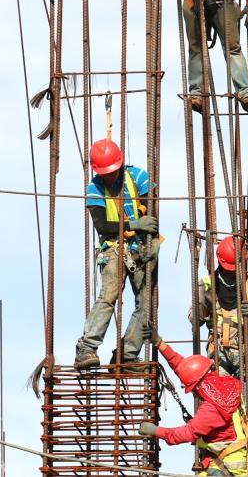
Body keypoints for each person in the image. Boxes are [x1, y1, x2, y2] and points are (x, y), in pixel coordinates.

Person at [74, 138, 159, 369]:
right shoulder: (94, 188)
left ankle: (127, 354)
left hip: (139, 249)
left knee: (147, 303)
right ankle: (86, 348)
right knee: (108, 297)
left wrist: (153, 238)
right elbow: (102, 226)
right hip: (114, 249)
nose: (110, 177)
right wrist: (134, 225)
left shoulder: (138, 177)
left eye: (112, 172)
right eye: (106, 173)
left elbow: (151, 211)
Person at [137, 335, 248, 475]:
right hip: (244, 459)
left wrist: (155, 430)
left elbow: (184, 434)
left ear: (197, 387)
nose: (194, 394)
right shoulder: (228, 384)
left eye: (192, 390)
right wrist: (160, 344)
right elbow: (187, 369)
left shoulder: (210, 410)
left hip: (231, 468)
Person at [191, 235, 248, 376]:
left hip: (246, 352)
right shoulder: (206, 284)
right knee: (221, 396)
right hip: (219, 352)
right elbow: (194, 320)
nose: (232, 271)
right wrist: (204, 306)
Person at [182, 0, 248, 113]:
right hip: (194, 0)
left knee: (232, 48)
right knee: (196, 48)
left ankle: (245, 91)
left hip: (222, 1)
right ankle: (197, 92)